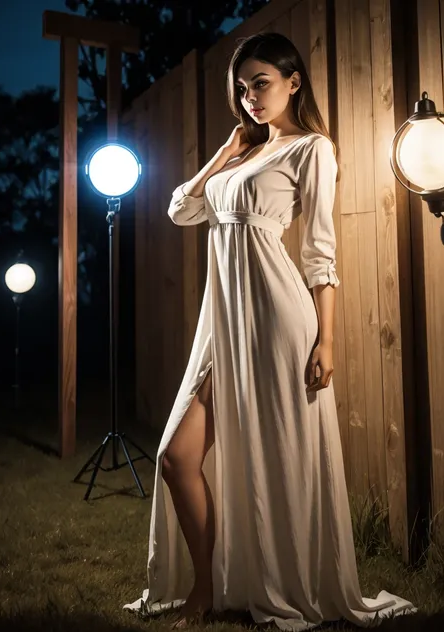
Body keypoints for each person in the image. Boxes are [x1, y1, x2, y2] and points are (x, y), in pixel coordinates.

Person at [124, 32, 416, 630]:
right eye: (242, 87)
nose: (250, 96)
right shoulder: (245, 153)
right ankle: (205, 589)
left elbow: (320, 255)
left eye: (261, 82)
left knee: (278, 459)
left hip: (279, 321)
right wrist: (226, 152)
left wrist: (326, 341)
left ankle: (267, 585)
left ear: (293, 81)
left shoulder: (313, 150)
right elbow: (181, 209)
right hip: (224, 324)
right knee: (178, 457)